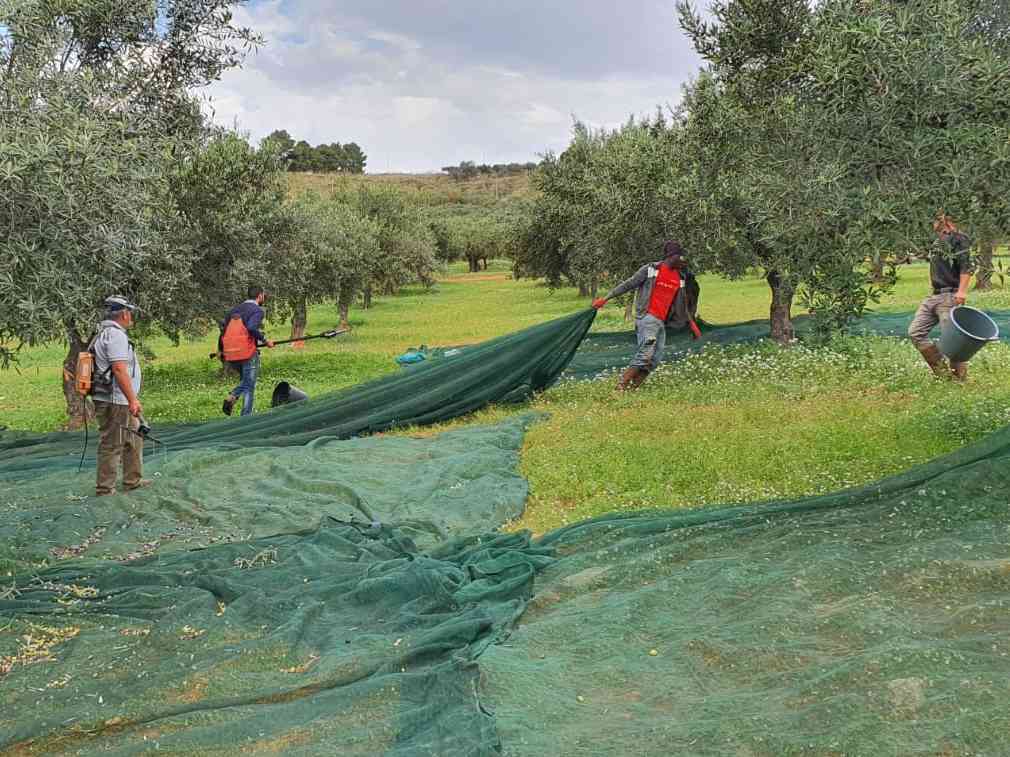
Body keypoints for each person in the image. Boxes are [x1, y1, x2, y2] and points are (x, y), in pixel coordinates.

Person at [593, 240, 701, 390]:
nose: (682, 261)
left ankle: (631, 390)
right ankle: (620, 388)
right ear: (671, 256)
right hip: (647, 318)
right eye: (679, 257)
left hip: (661, 322)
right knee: (645, 355)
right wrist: (605, 298)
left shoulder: (680, 278)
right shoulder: (651, 270)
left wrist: (692, 324)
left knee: (654, 360)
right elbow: (628, 284)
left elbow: (682, 303)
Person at [91, 295, 151, 496]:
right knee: (112, 443)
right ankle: (105, 489)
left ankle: (132, 480)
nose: (131, 316)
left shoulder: (103, 332)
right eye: (130, 312)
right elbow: (118, 369)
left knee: (134, 437)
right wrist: (132, 399)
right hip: (116, 399)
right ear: (124, 313)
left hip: (117, 398)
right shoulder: (115, 335)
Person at [907, 214, 973, 381]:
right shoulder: (938, 241)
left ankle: (959, 381)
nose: (933, 222)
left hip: (950, 295)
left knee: (953, 340)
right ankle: (944, 375)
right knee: (916, 332)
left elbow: (967, 266)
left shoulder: (959, 238)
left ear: (946, 219)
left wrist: (962, 292)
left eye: (936, 218)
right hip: (934, 296)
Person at [221, 286, 275, 416]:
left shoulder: (233, 310)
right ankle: (246, 416)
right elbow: (251, 327)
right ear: (260, 295)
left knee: (246, 381)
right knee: (249, 386)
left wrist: (221, 350)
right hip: (246, 352)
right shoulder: (257, 310)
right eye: (263, 295)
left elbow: (224, 332)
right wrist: (265, 340)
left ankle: (233, 397)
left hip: (231, 354)